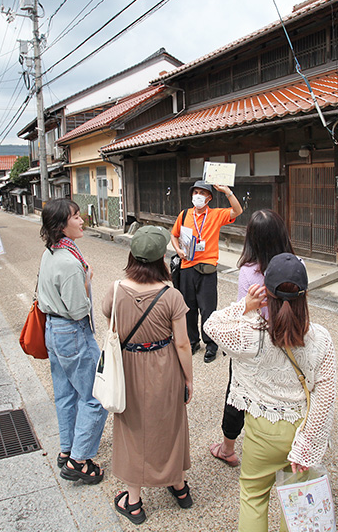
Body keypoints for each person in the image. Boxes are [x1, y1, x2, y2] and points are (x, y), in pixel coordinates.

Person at [205, 253, 336, 531]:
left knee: (253, 495)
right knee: (298, 501)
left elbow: (211, 325)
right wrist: (307, 445)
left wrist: (245, 305)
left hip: (263, 429)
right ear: (305, 295)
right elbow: (325, 397)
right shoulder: (321, 339)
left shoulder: (251, 334)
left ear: (268, 293)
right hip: (302, 426)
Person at [102, 226, 193, 525]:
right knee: (170, 424)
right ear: (161, 259)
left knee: (132, 430)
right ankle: (178, 487)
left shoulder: (116, 289)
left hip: (127, 369)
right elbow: (182, 343)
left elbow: (108, 318)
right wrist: (188, 379)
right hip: (164, 368)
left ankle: (134, 501)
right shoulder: (171, 296)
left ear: (132, 256)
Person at [210, 209, 295, 468]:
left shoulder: (249, 271)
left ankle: (227, 448)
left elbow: (242, 309)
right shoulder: (296, 264)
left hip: (256, 342)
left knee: (237, 392)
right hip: (287, 338)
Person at [37, 198, 108, 484]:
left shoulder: (53, 252)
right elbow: (79, 308)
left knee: (66, 394)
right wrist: (87, 281)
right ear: (61, 226)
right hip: (73, 331)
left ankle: (67, 449)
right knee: (95, 395)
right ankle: (79, 460)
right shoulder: (69, 262)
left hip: (54, 330)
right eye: (75, 217)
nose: (81, 220)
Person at [170, 180, 242, 363]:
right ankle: (193, 341)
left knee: (208, 309)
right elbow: (174, 234)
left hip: (207, 269)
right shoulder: (185, 214)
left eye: (202, 193)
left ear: (209, 198)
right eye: (195, 192)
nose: (198, 196)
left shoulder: (216, 215)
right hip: (186, 267)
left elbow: (237, 211)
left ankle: (211, 344)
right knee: (189, 308)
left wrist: (227, 192)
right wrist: (178, 250)